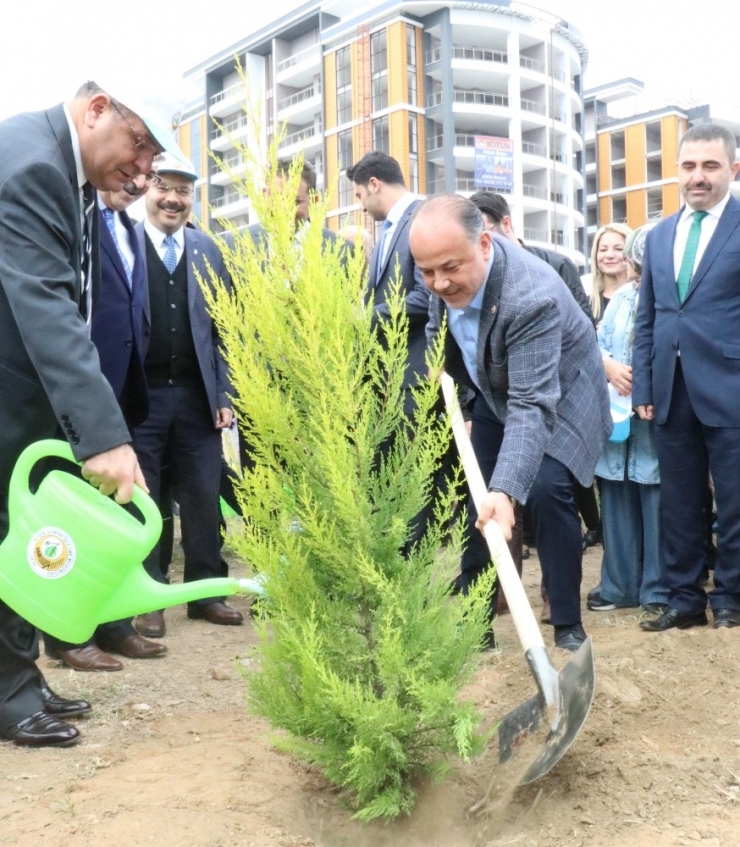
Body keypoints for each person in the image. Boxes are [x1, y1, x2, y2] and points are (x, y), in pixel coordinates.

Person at [0, 80, 178, 747]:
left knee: (18, 537)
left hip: (19, 395)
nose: (142, 167)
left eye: (153, 157)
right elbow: (45, 304)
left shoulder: (55, 162)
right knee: (5, 541)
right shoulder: (34, 164)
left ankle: (18, 681)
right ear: (98, 107)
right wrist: (103, 436)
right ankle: (9, 697)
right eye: (139, 145)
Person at [410, 194, 611, 652]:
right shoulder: (446, 274)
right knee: (477, 497)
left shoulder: (529, 296)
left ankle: (566, 623)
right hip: (496, 389)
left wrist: (508, 490)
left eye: (449, 268)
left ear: (484, 243)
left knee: (544, 490)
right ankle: (477, 619)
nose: (439, 283)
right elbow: (440, 326)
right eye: (427, 271)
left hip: (562, 394)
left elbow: (532, 404)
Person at [42, 172, 168, 670]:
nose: (138, 182)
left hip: (124, 395)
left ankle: (115, 627)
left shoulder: (132, 229)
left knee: (117, 515)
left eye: (149, 176)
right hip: (80, 400)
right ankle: (66, 634)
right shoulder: (77, 218)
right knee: (71, 519)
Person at [633, 124, 740, 632]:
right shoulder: (658, 236)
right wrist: (644, 388)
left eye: (711, 166)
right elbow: (648, 318)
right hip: (670, 392)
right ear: (677, 171)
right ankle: (684, 599)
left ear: (733, 169)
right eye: (690, 166)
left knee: (736, 501)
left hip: (731, 388)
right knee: (678, 503)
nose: (698, 177)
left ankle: (732, 599)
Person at [132, 152, 240, 638]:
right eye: (162, 186)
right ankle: (148, 596)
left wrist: (226, 392)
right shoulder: (125, 242)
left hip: (198, 398)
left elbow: (224, 328)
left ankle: (206, 594)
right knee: (145, 500)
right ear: (145, 189)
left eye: (183, 190)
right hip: (141, 397)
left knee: (202, 495)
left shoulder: (208, 249)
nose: (172, 198)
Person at [348, 152, 454, 552]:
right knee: (394, 474)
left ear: (374, 184)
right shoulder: (388, 230)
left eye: (360, 195)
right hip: (390, 376)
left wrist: (362, 317)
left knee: (415, 477)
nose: (360, 205)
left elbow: (427, 296)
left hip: (417, 374)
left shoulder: (424, 220)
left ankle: (412, 563)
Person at [587, 224, 670, 614]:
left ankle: (656, 589)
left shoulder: (670, 297)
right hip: (617, 419)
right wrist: (608, 368)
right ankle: (618, 586)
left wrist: (644, 387)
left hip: (653, 417)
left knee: (655, 500)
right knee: (616, 497)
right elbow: (595, 345)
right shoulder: (620, 298)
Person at [589, 223, 632, 324]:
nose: (609, 255)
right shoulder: (585, 305)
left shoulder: (644, 300)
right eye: (603, 250)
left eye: (619, 249)